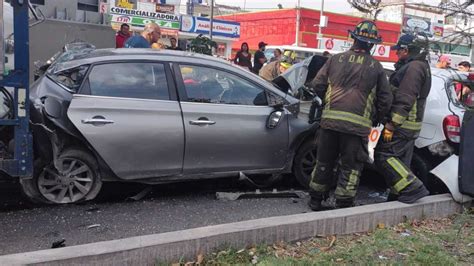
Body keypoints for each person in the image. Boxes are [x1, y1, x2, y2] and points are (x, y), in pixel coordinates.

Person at [307, 21, 392, 211]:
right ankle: (343, 203)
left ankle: (315, 199)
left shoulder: (335, 59)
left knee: (323, 162)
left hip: (329, 123)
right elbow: (385, 99)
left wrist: (328, 103)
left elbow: (317, 85)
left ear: (353, 38)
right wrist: (377, 116)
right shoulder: (376, 67)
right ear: (371, 44)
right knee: (351, 166)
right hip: (356, 127)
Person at [374, 34, 432, 204]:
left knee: (383, 156)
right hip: (409, 125)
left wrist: (392, 124)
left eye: (398, 50)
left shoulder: (413, 68)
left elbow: (405, 97)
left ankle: (413, 188)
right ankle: (396, 194)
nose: (396, 54)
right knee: (400, 161)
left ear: (406, 50)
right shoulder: (421, 66)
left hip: (402, 125)